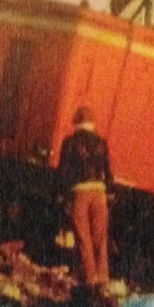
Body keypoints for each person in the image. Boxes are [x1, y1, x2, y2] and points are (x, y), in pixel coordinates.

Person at [57, 105, 113, 287]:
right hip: (99, 192)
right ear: (92, 123)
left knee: (83, 236)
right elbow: (108, 172)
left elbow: (63, 173)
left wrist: (63, 195)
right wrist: (110, 191)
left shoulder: (70, 143)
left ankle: (89, 278)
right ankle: (103, 276)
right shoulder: (102, 143)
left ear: (77, 122)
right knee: (100, 236)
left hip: (80, 192)